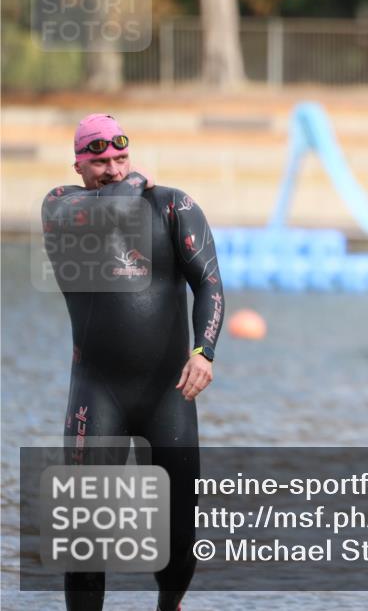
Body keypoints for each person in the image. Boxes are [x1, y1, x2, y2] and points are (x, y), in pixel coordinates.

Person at [42, 114, 224, 611]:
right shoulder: (61, 206)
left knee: (179, 532)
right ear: (77, 166)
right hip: (97, 393)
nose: (114, 170)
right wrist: (136, 179)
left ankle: (169, 606)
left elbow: (209, 283)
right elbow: (114, 206)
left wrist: (204, 351)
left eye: (121, 158)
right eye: (100, 161)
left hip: (169, 394)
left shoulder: (173, 207)